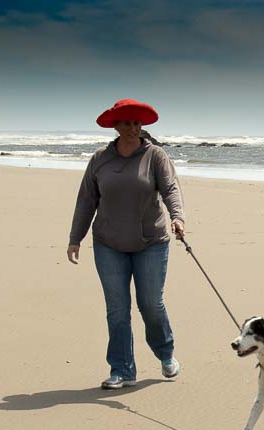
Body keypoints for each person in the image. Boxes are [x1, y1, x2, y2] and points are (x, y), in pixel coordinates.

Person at [67, 99, 185, 390]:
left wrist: (177, 217)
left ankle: (166, 353)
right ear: (115, 126)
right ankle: (122, 369)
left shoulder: (155, 156)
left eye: (136, 123)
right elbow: (86, 200)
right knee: (117, 309)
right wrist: (75, 238)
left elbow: (170, 189)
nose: (133, 128)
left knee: (150, 305)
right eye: (126, 123)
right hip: (108, 243)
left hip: (151, 242)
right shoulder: (99, 159)